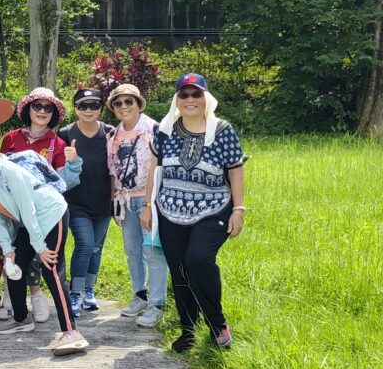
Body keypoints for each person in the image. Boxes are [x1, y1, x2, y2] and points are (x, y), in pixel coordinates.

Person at [0, 134, 88, 356]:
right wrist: (8, 250)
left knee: (51, 267)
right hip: (26, 222)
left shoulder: (8, 170)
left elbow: (28, 207)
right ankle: (22, 318)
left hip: (50, 214)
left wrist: (40, 247)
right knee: (14, 267)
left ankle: (71, 332)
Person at [140, 73, 247, 352]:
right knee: (179, 270)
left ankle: (218, 325)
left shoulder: (223, 130)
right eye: (184, 95)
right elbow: (155, 168)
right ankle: (188, 328)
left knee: (198, 260)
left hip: (213, 208)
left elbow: (235, 172)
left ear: (206, 98)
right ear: (177, 100)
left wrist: (239, 209)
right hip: (170, 209)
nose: (190, 100)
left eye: (195, 94)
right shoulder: (165, 129)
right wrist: (148, 206)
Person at [0, 87, 82, 323]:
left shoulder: (58, 142)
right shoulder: (11, 138)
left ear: (53, 113)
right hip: (14, 210)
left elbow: (64, 182)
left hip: (44, 213)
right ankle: (15, 300)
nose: (42, 111)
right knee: (12, 251)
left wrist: (73, 163)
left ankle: (38, 297)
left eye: (48, 108)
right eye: (37, 106)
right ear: (28, 109)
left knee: (43, 257)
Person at [108, 83, 169, 328]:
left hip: (148, 198)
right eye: (118, 103)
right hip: (124, 199)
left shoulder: (154, 129)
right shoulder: (112, 136)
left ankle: (157, 304)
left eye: (129, 101)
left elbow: (160, 168)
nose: (124, 107)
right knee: (132, 251)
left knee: (153, 250)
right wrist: (115, 202)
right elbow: (113, 171)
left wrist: (148, 204)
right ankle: (140, 295)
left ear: (138, 104)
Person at [57, 88, 114, 319]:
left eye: (93, 105)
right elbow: (58, 172)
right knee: (85, 245)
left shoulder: (110, 133)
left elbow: (115, 169)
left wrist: (114, 199)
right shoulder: (64, 133)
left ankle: (89, 289)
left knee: (96, 249)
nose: (88, 110)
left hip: (103, 202)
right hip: (76, 202)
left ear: (101, 108)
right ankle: (75, 293)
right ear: (75, 109)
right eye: (83, 105)